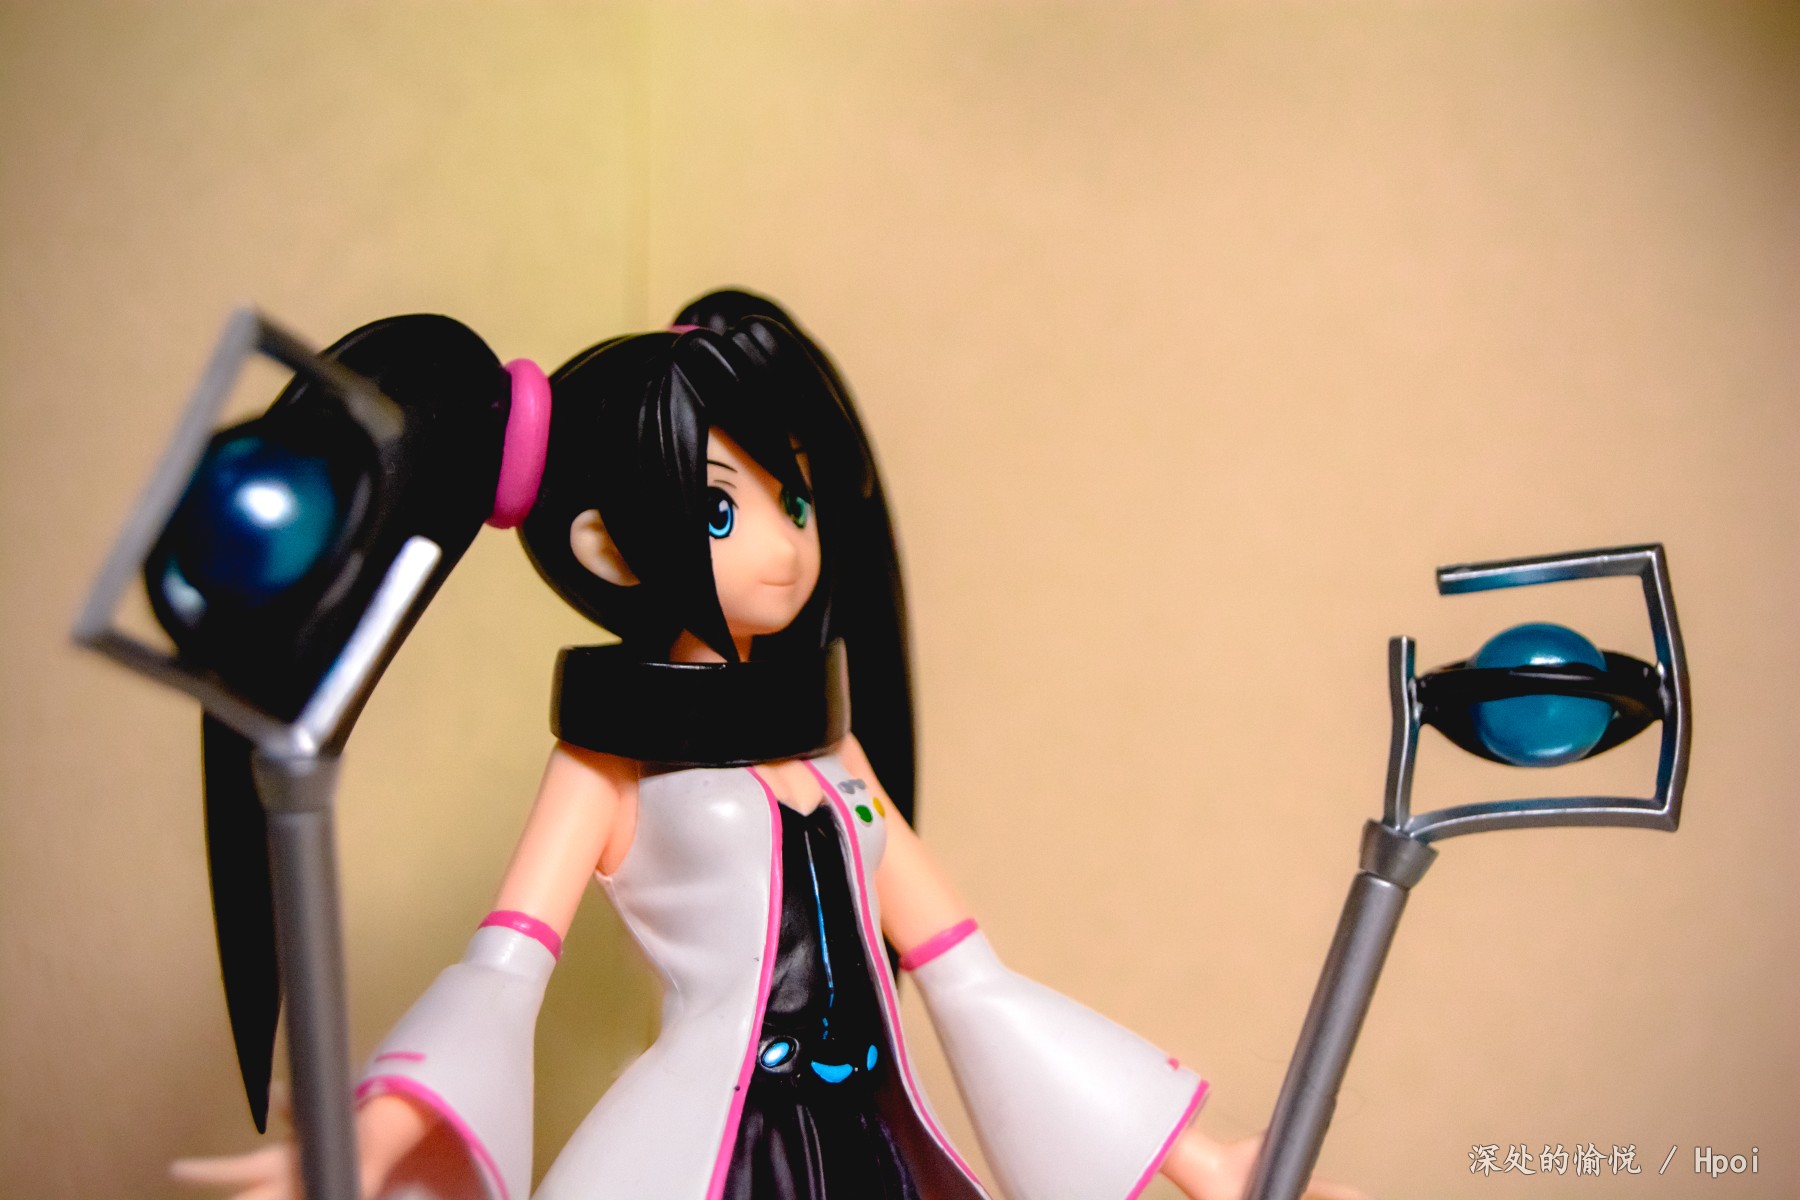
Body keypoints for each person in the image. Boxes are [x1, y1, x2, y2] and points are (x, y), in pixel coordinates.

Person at [176, 292, 1356, 1200]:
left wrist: (1202, 1163)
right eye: (721, 507)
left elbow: (971, 978)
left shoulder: (831, 748)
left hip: (862, 1145)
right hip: (717, 1151)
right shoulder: (608, 762)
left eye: (794, 500)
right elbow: (504, 973)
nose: (789, 546)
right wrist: (367, 1142)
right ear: (606, 545)